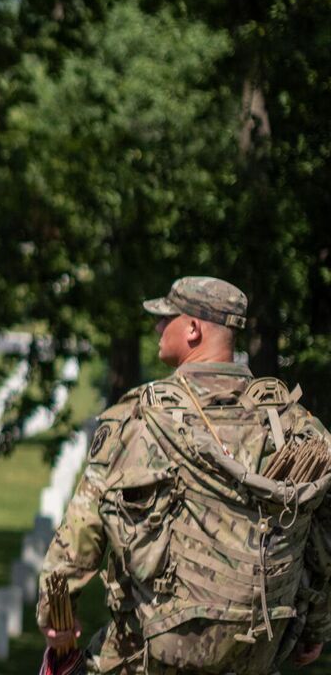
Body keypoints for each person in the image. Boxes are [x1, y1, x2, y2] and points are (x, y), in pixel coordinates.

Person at [39, 277, 331, 673]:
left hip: (150, 657)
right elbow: (322, 537)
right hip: (256, 654)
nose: (158, 327)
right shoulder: (294, 426)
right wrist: (315, 628)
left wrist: (56, 617)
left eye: (167, 318)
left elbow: (79, 537)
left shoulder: (137, 419)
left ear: (193, 328)